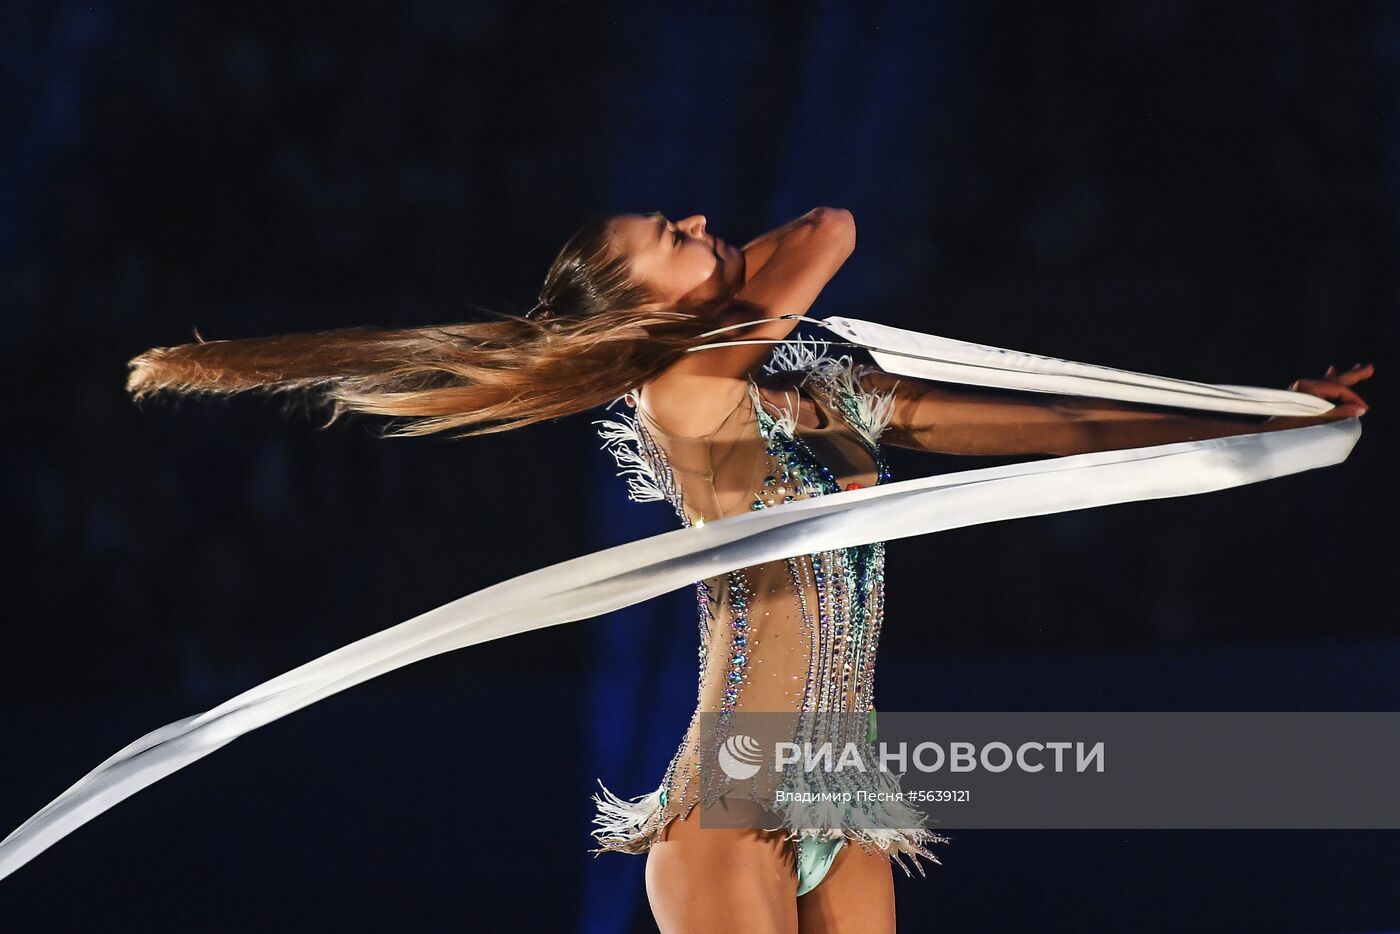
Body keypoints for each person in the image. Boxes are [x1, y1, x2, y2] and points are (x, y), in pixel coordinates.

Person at [125, 207, 1371, 934]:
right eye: (672, 234)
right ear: (633, 312)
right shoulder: (682, 390)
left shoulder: (828, 394)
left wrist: (1252, 419)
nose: (704, 224)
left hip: (844, 793)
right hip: (729, 796)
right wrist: (691, 298)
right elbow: (826, 229)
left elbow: (1059, 429)